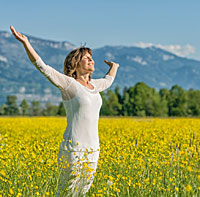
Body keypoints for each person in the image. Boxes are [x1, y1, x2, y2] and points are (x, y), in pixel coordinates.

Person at [10, 25, 119, 196]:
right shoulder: (69, 84)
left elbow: (108, 80)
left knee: (82, 192)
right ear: (76, 63)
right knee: (66, 192)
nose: (92, 61)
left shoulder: (94, 86)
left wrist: (115, 66)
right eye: (87, 58)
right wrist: (26, 43)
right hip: (73, 148)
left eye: (92, 58)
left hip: (93, 149)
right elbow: (43, 68)